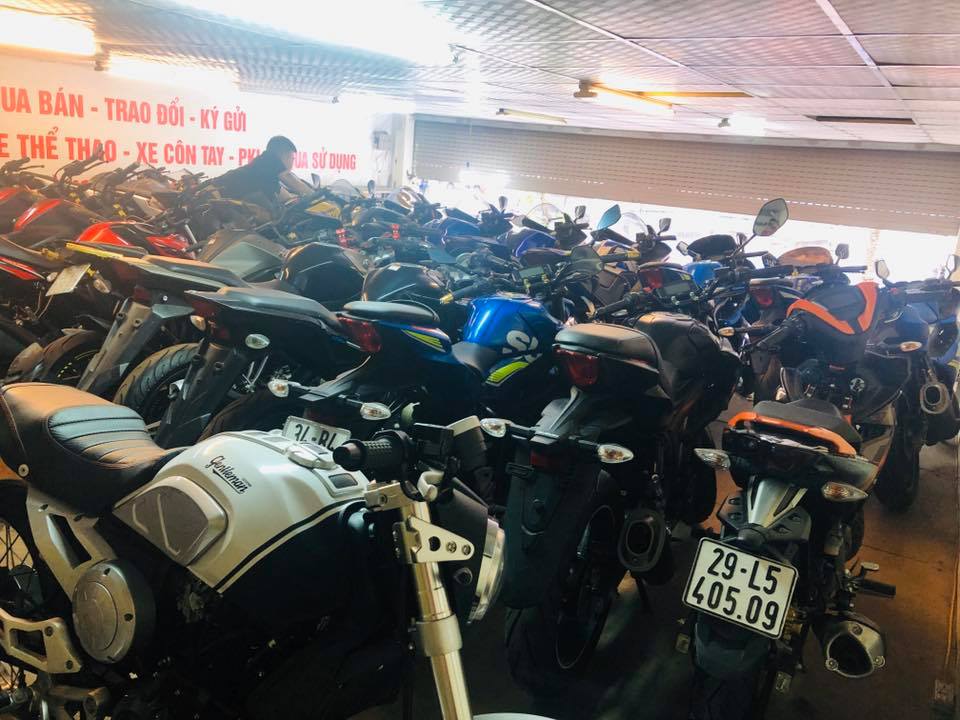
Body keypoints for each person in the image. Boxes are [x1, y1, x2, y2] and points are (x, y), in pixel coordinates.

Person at [211, 135, 297, 212]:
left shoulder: (262, 166)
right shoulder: (273, 165)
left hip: (213, 196)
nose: (292, 164)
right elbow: (296, 189)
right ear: (284, 156)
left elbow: (283, 194)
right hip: (213, 200)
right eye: (292, 159)